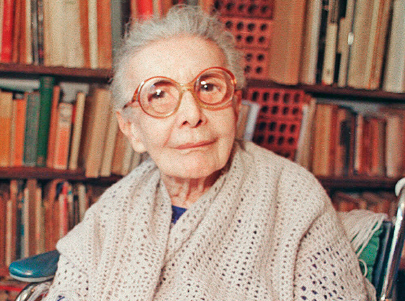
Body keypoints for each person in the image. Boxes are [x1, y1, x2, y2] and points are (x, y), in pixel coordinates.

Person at [43, 5, 374, 300]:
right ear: (131, 128)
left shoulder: (295, 199)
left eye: (208, 87)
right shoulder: (114, 207)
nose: (191, 114)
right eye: (159, 95)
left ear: (235, 105)